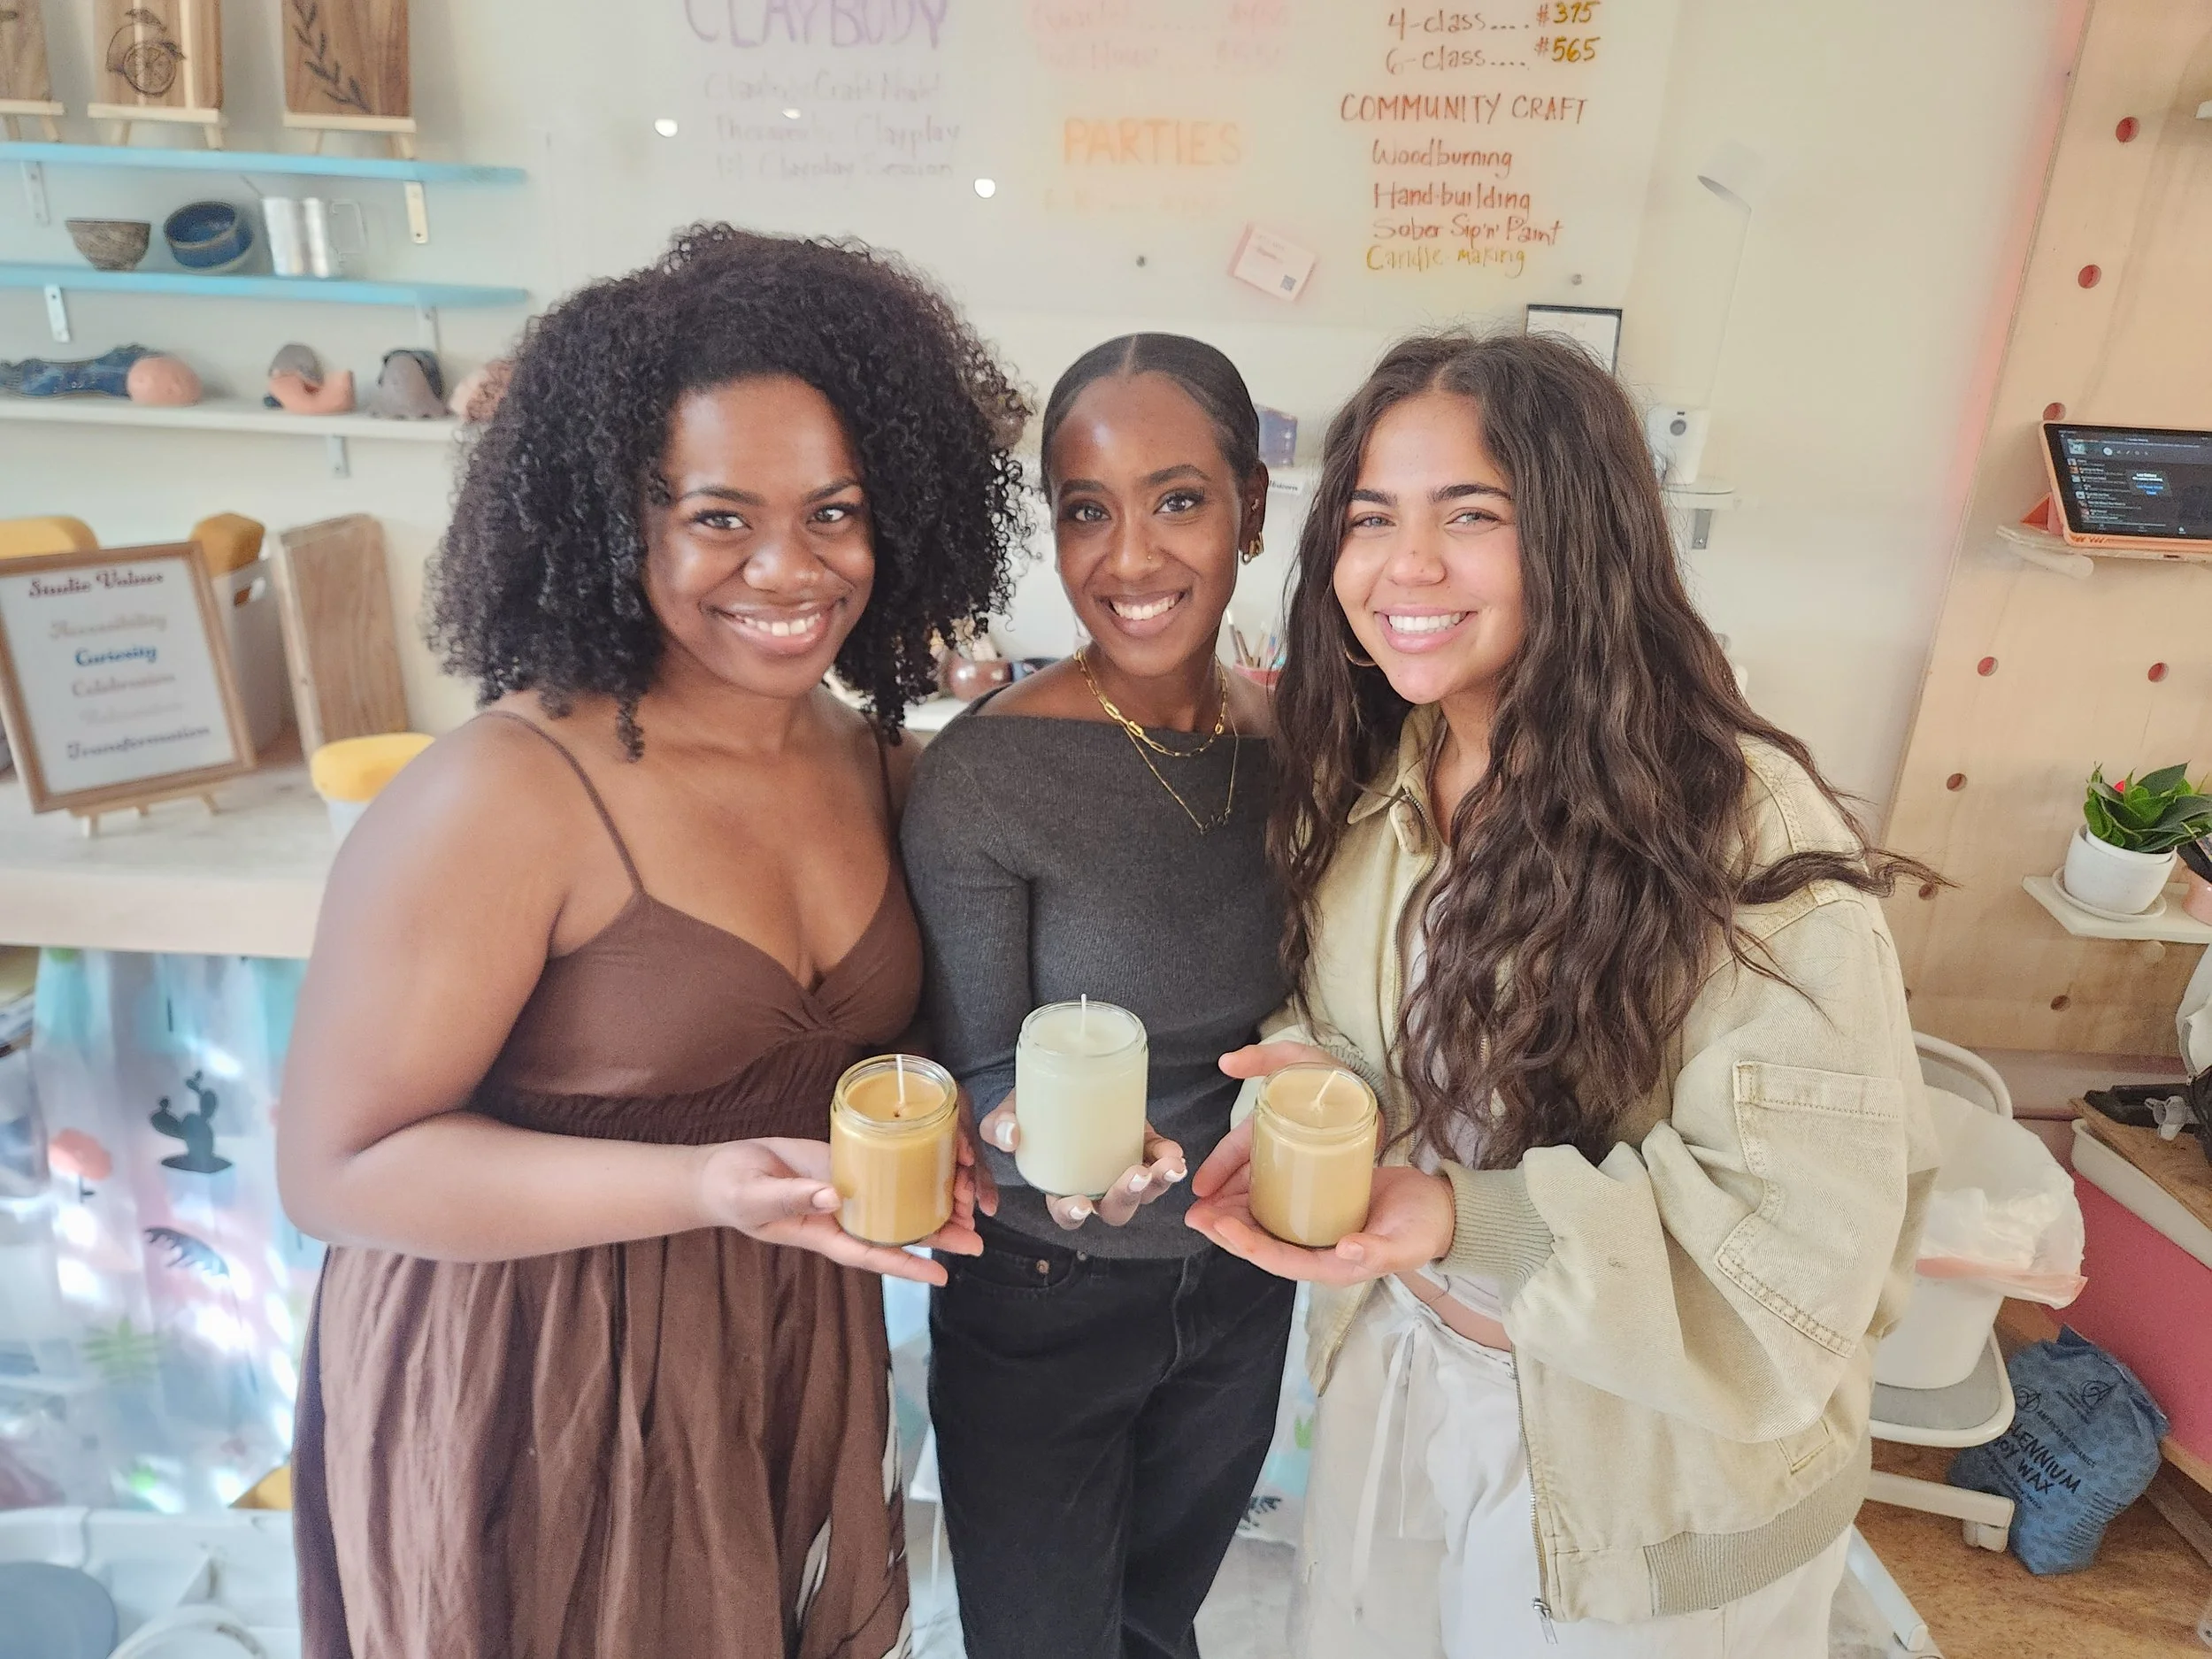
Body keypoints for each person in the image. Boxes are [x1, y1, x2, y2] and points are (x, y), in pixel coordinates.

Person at [275, 224, 1028, 1659]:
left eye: (834, 511)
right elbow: (335, 1169)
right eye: (719, 515)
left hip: (772, 1361)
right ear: (615, 518)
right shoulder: (507, 792)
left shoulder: (883, 763)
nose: (789, 568)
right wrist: (701, 1183)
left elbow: (890, 1064)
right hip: (530, 1378)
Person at [1185, 331, 1942, 1658]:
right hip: (1406, 1385)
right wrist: (1315, 1077)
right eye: (1371, 517)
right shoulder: (1381, 779)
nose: (1404, 565)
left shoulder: (1742, 841)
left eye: (1470, 514)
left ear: (1583, 536)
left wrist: (1457, 1214)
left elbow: (1792, 1252)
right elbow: (1356, 1017)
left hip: (1636, 1465)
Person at [901, 334, 1294, 1659]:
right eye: (1086, 510)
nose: (1129, 558)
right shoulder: (991, 774)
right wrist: (1031, 1136)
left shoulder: (1303, 753)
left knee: (1155, 1622)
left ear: (1253, 502)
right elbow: (978, 1063)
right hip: (1044, 1285)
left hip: (1240, 1280)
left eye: (1179, 499)